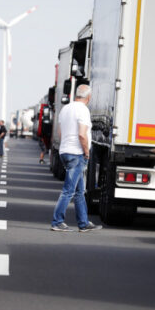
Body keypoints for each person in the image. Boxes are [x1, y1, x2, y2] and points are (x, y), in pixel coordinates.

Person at [50, 84, 97, 233]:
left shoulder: (65, 109)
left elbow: (60, 131)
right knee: (68, 191)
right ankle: (57, 221)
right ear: (88, 97)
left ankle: (83, 223)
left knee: (79, 191)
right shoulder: (83, 110)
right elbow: (82, 134)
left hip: (65, 151)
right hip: (77, 153)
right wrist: (86, 152)